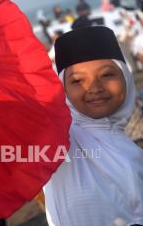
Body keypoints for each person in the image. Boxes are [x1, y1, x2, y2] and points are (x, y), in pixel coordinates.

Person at [44, 26, 143, 225]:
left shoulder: (129, 148)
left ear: (125, 76)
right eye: (78, 80)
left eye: (107, 75)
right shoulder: (58, 138)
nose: (94, 88)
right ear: (62, 88)